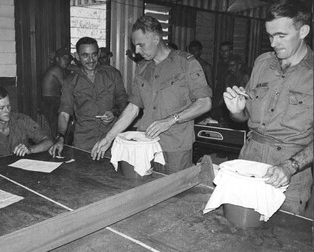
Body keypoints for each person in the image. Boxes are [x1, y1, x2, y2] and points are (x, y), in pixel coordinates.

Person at [223, 0, 313, 215]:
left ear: (303, 31)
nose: (274, 43)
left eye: (281, 36)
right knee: (238, 230)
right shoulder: (262, 63)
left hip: (290, 169)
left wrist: (290, 166)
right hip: (250, 160)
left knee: (281, 241)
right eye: (270, 36)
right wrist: (236, 110)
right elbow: (243, 118)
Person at [91, 16, 212, 174]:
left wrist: (170, 120)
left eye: (141, 45)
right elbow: (132, 108)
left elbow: (204, 103)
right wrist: (109, 137)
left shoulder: (186, 63)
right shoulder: (142, 68)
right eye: (135, 46)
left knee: (174, 194)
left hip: (175, 147)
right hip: (145, 145)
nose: (137, 51)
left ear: (156, 39)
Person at [48, 37, 128, 157]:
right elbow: (64, 113)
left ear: (99, 54)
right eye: (85, 55)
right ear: (77, 56)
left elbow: (124, 105)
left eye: (94, 55)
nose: (91, 60)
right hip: (84, 143)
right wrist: (60, 138)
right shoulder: (70, 81)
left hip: (112, 140)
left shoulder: (113, 75)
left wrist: (114, 113)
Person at [0, 86, 53, 157]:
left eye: (8, 106)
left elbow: (48, 142)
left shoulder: (22, 120)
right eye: (1, 108)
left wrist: (30, 149)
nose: (7, 111)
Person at [41, 47, 72, 138]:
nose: (67, 61)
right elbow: (66, 87)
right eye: (64, 58)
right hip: (51, 101)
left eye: (68, 58)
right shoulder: (56, 69)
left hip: (52, 100)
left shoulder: (59, 68)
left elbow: (71, 67)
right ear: (57, 59)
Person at [211, 41, 233, 123]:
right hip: (219, 93)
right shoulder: (220, 63)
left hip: (229, 95)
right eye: (222, 51)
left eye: (226, 51)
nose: (224, 53)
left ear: (231, 51)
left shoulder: (233, 64)